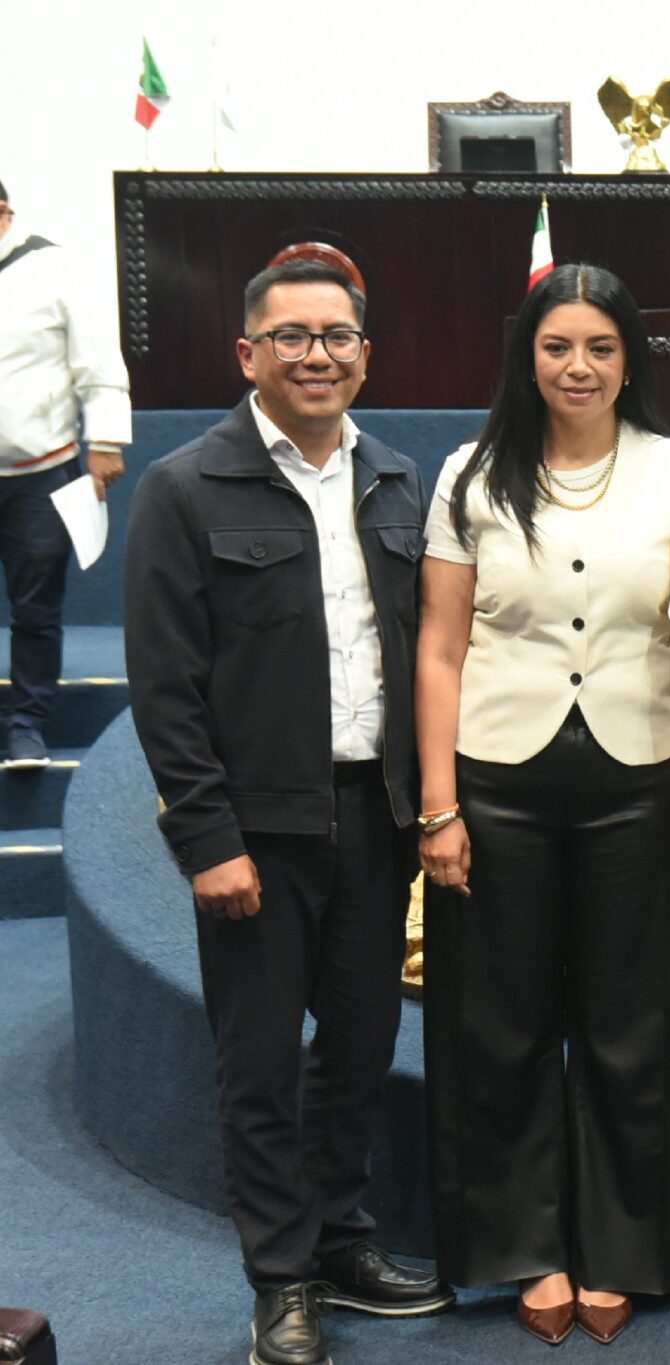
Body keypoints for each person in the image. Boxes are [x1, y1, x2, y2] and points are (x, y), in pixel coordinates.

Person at [125, 258, 452, 1365]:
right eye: (293, 336)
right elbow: (166, 687)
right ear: (248, 355)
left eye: (338, 336)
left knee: (360, 1050)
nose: (319, 355)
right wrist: (206, 839)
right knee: (260, 1064)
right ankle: (281, 1277)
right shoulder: (183, 487)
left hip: (376, 820)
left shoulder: (396, 480)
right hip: (256, 838)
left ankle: (338, 1240)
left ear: (366, 352)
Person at [415, 263, 670, 1348]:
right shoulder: (471, 472)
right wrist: (438, 807)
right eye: (556, 347)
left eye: (598, 347)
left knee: (636, 1024)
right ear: (526, 357)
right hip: (498, 782)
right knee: (501, 1024)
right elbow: (440, 647)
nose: (577, 367)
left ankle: (625, 1245)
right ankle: (525, 1249)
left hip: (643, 773)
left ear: (629, 358)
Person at [0, 177, 130, 770]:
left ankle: (26, 724)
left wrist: (105, 443)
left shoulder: (56, 270)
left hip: (40, 473)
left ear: (4, 213)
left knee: (36, 608)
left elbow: (99, 365)